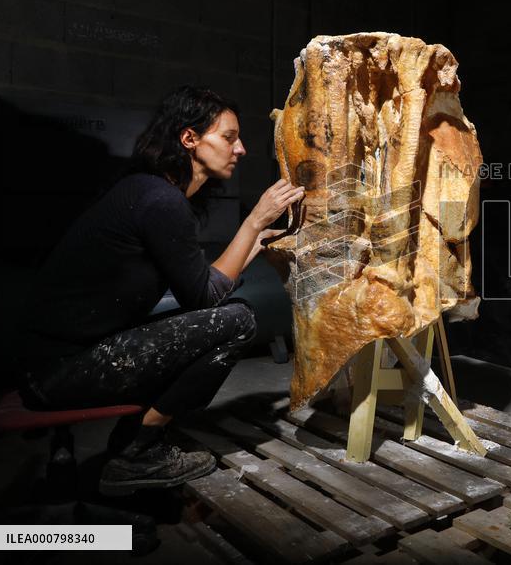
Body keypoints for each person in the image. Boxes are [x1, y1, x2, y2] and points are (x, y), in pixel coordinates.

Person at [16, 85, 304, 495]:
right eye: (228, 137)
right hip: (57, 372)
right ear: (189, 139)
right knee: (238, 320)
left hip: (57, 359)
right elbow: (203, 298)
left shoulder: (151, 192)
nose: (240, 149)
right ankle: (137, 450)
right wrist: (253, 221)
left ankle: (136, 441)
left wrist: (252, 244)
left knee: (216, 318)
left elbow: (197, 285)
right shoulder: (159, 200)